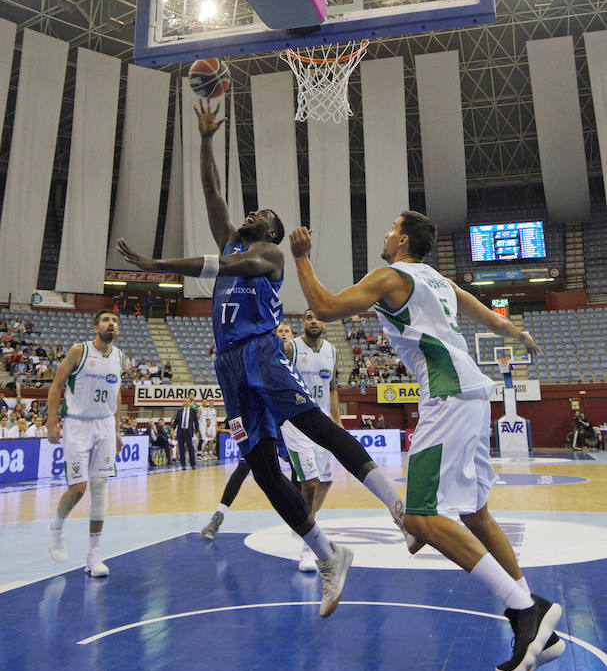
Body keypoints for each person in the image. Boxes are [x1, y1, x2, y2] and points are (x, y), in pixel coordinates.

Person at [116, 99, 408, 619]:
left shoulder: (267, 255)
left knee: (316, 426)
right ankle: (329, 556)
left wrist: (155, 262)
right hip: (228, 364)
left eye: (262, 215)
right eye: (251, 212)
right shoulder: (233, 241)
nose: (252, 214)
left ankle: (396, 505)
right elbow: (212, 191)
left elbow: (228, 265)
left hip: (261, 350)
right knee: (263, 468)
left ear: (272, 232)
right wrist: (206, 141)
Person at [289, 211, 564, 671]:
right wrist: (516, 334)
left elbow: (327, 306)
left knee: (420, 518)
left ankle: (526, 609)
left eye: (390, 228)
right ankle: (538, 627)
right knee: (474, 513)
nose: (385, 234)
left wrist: (302, 258)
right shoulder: (439, 281)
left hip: (447, 396)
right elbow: (484, 314)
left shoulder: (391, 276)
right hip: (473, 394)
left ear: (402, 241)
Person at [201, 322, 298, 541]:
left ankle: (301, 516)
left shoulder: (298, 359)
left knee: (296, 466)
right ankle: (218, 515)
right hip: (263, 418)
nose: (283, 334)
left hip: (289, 419)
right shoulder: (262, 354)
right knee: (246, 465)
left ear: (293, 337)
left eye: (287, 332)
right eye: (280, 331)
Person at [47, 311, 123, 577]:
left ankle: (93, 556)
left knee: (100, 486)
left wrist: (116, 430)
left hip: (105, 425)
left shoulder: (120, 356)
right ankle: (56, 527)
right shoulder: (79, 351)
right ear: (95, 328)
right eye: (106, 320)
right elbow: (56, 386)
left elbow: (116, 395)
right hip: (77, 424)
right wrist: (52, 422)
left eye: (115, 321)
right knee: (78, 489)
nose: (111, 323)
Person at [280, 308, 341, 572]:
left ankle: (307, 522)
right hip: (297, 422)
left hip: (323, 422)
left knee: (325, 482)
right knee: (310, 482)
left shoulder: (332, 351)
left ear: (324, 322)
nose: (313, 321)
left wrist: (337, 420)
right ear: (303, 323)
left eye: (317, 317)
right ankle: (308, 545)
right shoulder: (291, 348)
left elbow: (332, 388)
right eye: (308, 317)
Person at [172, 397, 199, 469]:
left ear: (190, 403)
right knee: (181, 449)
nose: (186, 403)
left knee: (190, 448)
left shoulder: (193, 411)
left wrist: (197, 431)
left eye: (187, 401)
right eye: (185, 401)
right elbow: (176, 421)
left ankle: (193, 464)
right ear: (183, 402)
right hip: (180, 431)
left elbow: (196, 422)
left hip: (188, 432)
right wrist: (172, 428)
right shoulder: (179, 411)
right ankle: (183, 465)